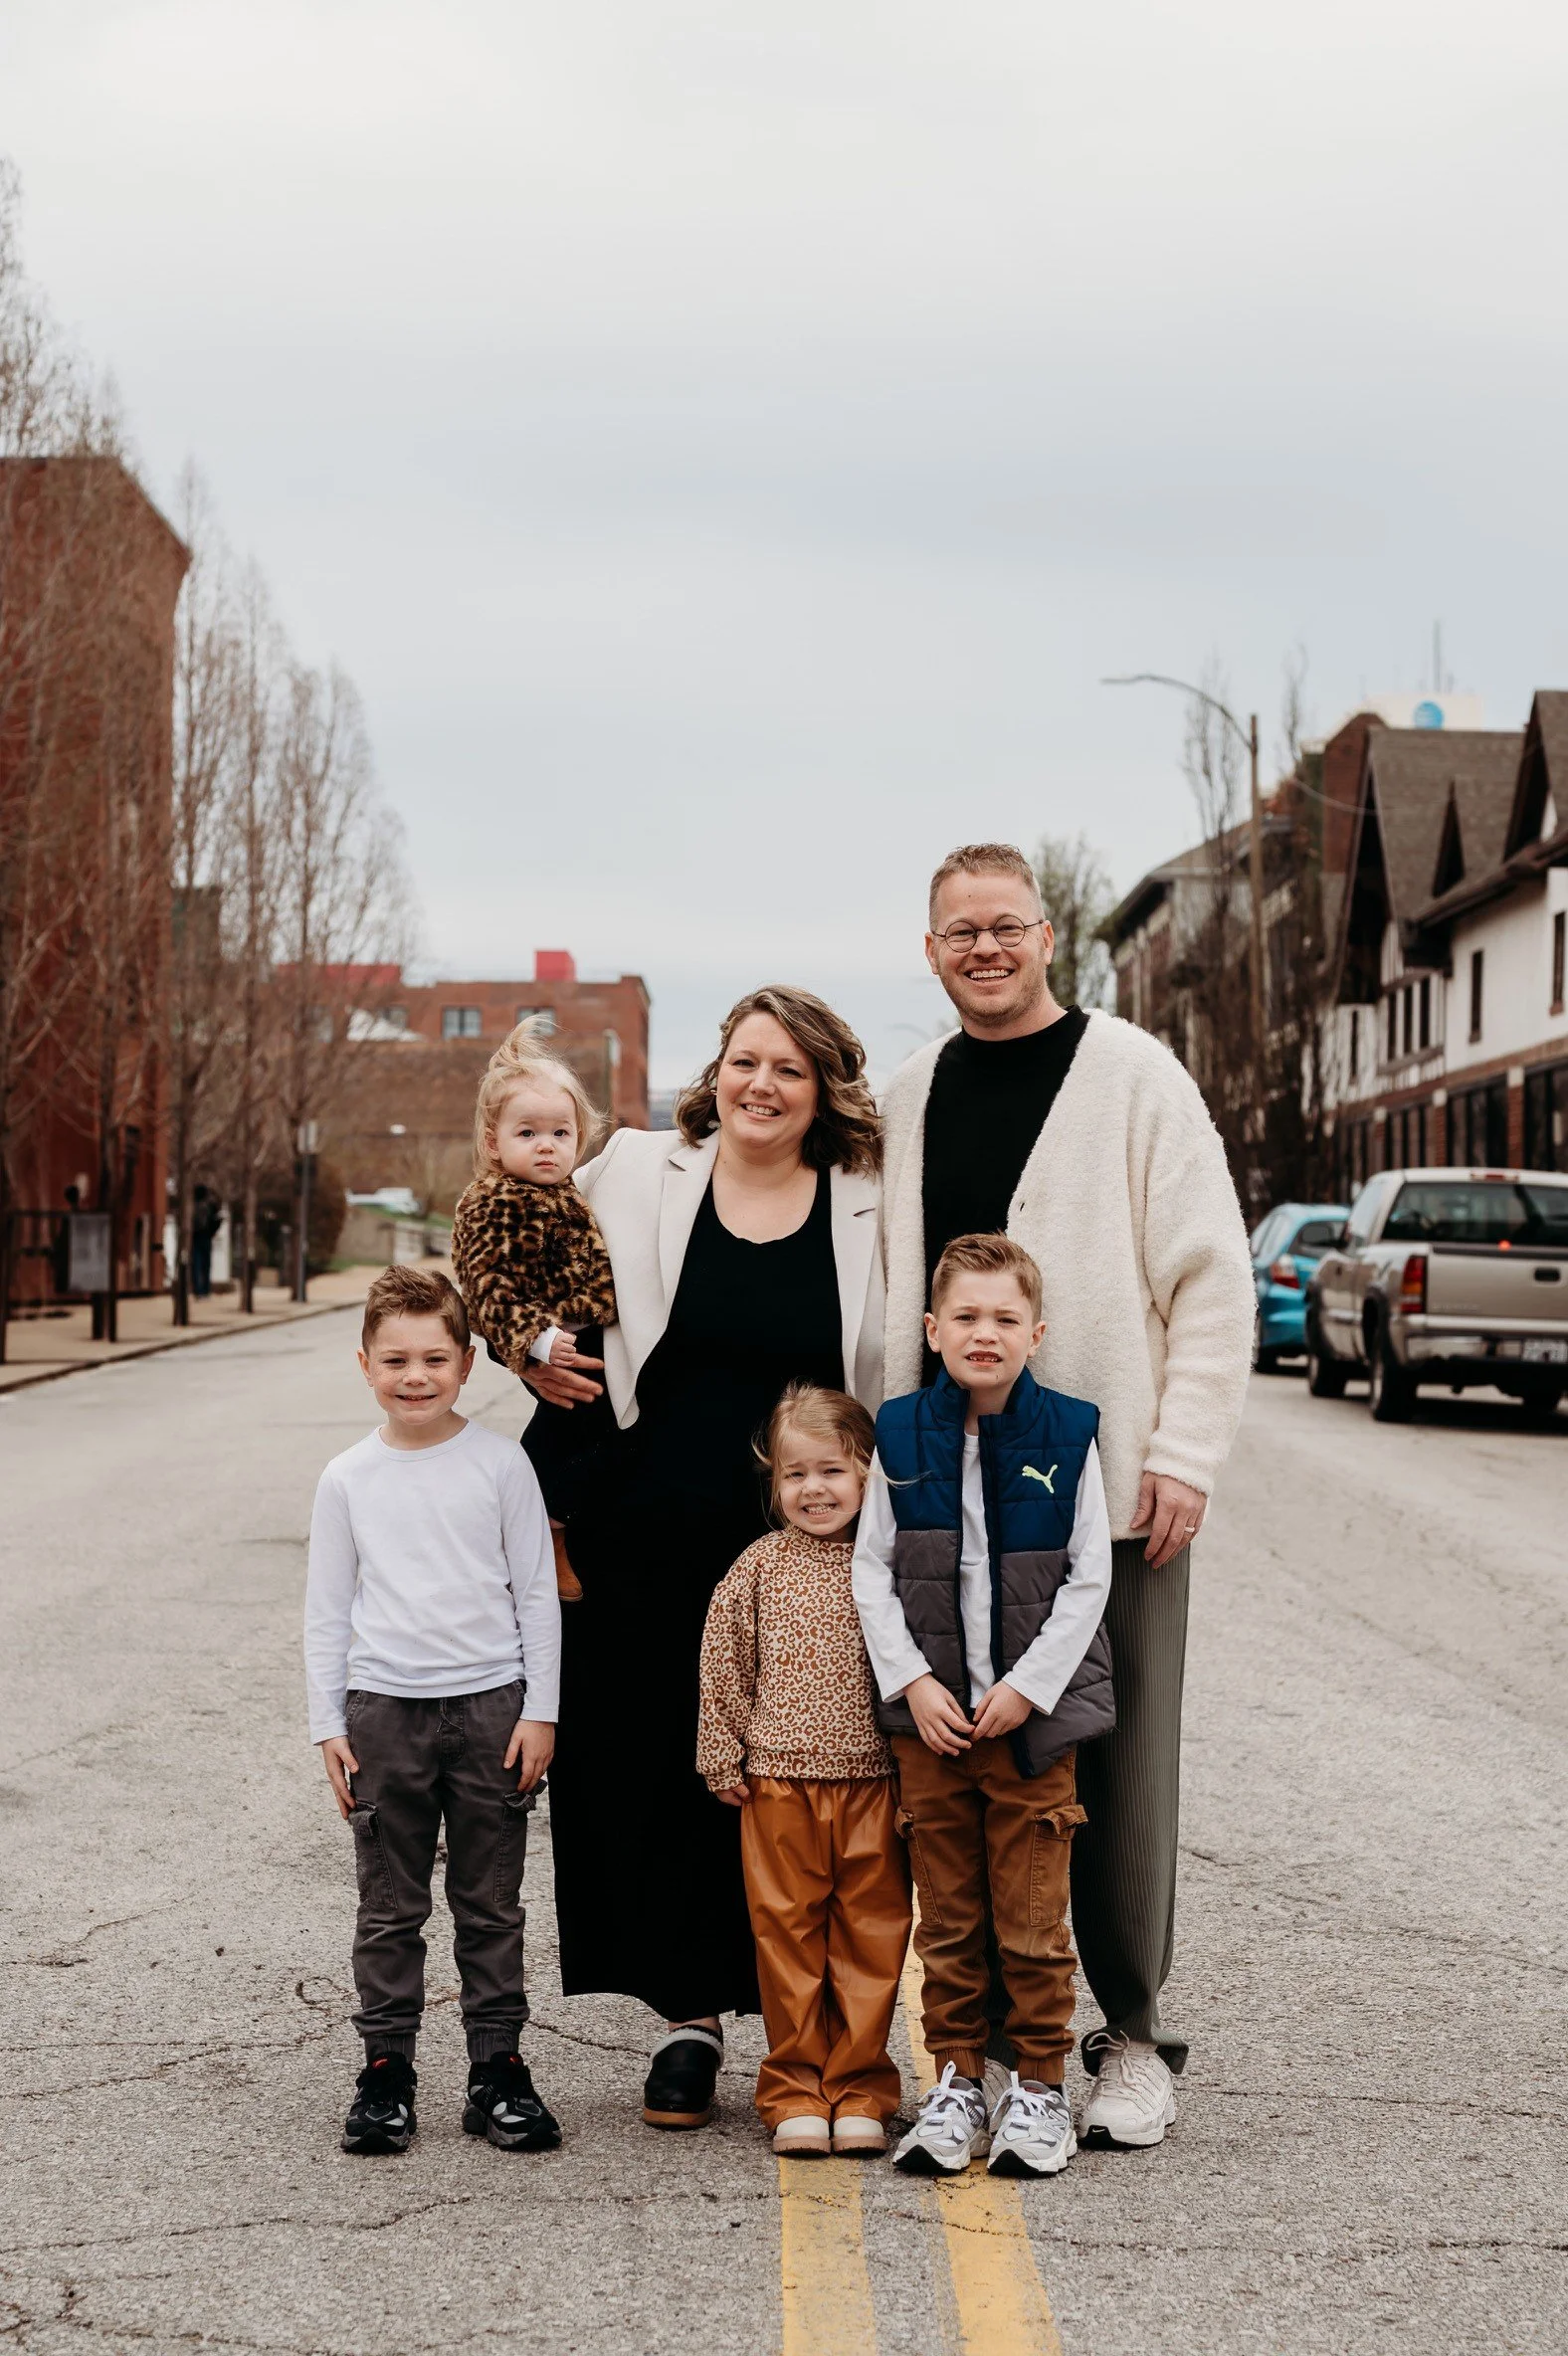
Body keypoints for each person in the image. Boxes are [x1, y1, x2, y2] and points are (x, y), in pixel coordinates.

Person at [881, 842, 1255, 2150]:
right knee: (962, 1777)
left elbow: (1212, 1274)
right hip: (944, 1500)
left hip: (1106, 1501)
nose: (985, 948)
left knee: (1120, 1769)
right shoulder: (909, 1093)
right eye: (959, 931)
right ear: (930, 951)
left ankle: (1134, 2036)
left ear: (1051, 936)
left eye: (1007, 926)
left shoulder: (1135, 1079)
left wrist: (1184, 1451)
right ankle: (978, 2048)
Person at [528, 985, 883, 2132]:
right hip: (645, 1523)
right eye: (743, 1061)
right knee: (652, 1770)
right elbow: (509, 1236)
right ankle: (688, 2020)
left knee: (792, 1782)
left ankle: (799, 2019)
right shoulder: (636, 1166)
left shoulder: (870, 1198)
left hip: (803, 1542)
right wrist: (522, 1348)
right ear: (714, 1071)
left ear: (822, 1085)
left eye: (788, 1066)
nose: (760, 1084)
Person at [853, 1233, 1113, 2178]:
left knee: (1034, 1920)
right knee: (950, 1921)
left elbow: (1089, 1581)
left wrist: (1026, 1691)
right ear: (932, 1328)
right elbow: (869, 1572)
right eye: (965, 1316)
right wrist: (912, 1684)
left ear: (1036, 1332)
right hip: (930, 1725)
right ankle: (958, 2083)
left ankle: (1038, 2087)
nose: (985, 1333)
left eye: (1005, 1318)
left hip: (1030, 1729)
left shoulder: (1071, 1432)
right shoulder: (900, 1432)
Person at [303, 1265, 562, 2159]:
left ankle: (498, 2069)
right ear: (365, 1364)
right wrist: (327, 1726)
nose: (416, 1376)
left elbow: (536, 1594)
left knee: (491, 1905)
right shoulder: (347, 1477)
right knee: (389, 1908)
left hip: (493, 1710)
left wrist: (543, 1711)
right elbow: (327, 1610)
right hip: (383, 1714)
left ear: (468, 1363)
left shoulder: (499, 1463)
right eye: (396, 1360)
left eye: (435, 1359)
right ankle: (387, 2074)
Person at [696, 1383, 910, 2159]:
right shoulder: (759, 1567)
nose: (813, 1490)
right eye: (794, 1476)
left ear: (865, 1475)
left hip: (873, 1782)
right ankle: (793, 2090)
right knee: (786, 1937)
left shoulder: (887, 1562)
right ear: (773, 1481)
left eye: (831, 1472)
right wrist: (721, 1751)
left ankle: (859, 2088)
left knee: (872, 1937)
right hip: (779, 1781)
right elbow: (723, 1662)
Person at [451, 1028, 618, 1601]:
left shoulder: (572, 1191)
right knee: (565, 1422)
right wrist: (538, 1344)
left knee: (594, 1429)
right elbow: (487, 1287)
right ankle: (543, 1526)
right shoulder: (494, 1199)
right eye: (528, 1133)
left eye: (559, 1133)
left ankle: (554, 1522)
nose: (546, 1145)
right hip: (550, 1339)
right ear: (494, 1143)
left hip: (586, 1327)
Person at [190, 1185, 220, 1298]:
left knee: (196, 1264)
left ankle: (197, 1290)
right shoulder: (210, 1206)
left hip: (195, 1237)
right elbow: (216, 1219)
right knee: (206, 1265)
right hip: (206, 1237)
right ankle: (205, 1290)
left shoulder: (192, 1206)